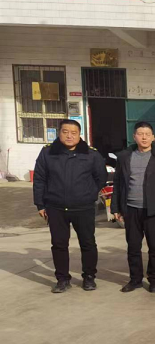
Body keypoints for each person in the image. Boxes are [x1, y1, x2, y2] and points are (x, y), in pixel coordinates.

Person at [32, 119, 107, 293]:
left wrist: (89, 194)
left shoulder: (91, 154)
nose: (69, 136)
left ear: (80, 135)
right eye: (65, 132)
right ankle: (62, 279)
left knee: (88, 243)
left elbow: (101, 177)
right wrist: (40, 204)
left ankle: (89, 277)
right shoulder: (48, 153)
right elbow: (39, 179)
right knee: (59, 245)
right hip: (56, 207)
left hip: (83, 207)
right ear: (59, 133)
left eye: (74, 133)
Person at [111, 122, 155, 293]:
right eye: (140, 134)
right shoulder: (125, 156)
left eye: (147, 134)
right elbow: (118, 183)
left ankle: (154, 280)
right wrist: (116, 207)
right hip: (131, 208)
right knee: (133, 247)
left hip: (153, 210)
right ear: (134, 136)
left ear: (153, 137)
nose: (144, 137)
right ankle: (135, 279)